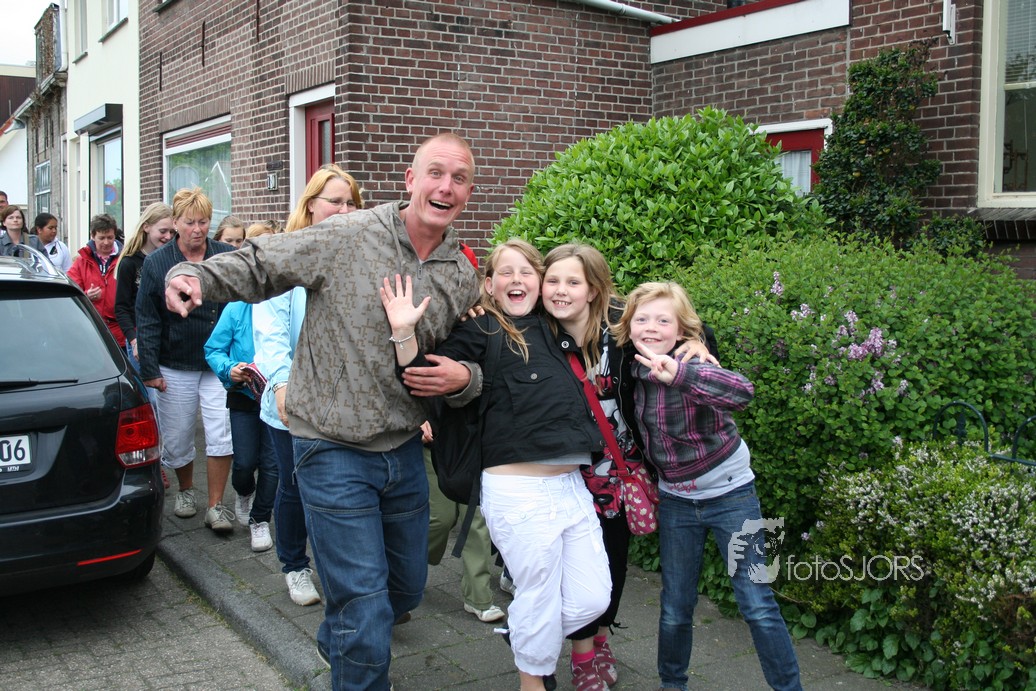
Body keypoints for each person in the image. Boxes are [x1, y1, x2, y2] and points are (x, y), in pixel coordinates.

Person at [165, 134, 481, 691]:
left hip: (403, 448)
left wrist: (466, 378)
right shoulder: (349, 233)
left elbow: (475, 353)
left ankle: (341, 640)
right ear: (410, 179)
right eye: (435, 173)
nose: (445, 187)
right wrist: (194, 277)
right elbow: (264, 262)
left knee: (405, 589)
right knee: (364, 607)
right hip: (330, 446)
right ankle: (357, 657)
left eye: (459, 179)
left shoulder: (460, 273)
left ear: (469, 192)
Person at [380, 238, 612, 691]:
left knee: (592, 599)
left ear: (539, 282)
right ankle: (532, 681)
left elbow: (624, 318)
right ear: (489, 284)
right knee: (539, 596)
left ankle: (524, 632)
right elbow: (421, 375)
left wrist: (693, 343)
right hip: (518, 490)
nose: (516, 279)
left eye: (527, 271)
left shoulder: (555, 327)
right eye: (505, 272)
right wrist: (404, 333)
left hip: (571, 487)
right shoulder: (482, 329)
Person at [613, 282, 802, 691]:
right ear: (628, 327)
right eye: (642, 319)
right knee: (675, 606)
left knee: (757, 603)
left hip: (733, 494)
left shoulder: (694, 361)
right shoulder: (629, 368)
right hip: (677, 500)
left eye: (663, 320)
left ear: (682, 330)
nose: (651, 327)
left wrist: (681, 375)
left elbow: (742, 393)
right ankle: (672, 684)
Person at [251, 165, 364, 605]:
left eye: (351, 202)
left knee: (343, 487)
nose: (344, 209)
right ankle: (295, 565)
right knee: (296, 485)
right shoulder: (286, 256)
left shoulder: (363, 259)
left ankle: (345, 571)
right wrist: (282, 386)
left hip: (345, 401)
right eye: (335, 201)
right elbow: (271, 334)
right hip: (293, 401)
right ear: (311, 204)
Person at [136, 188, 236, 532]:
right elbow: (147, 317)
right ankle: (186, 489)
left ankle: (216, 504)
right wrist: (150, 369)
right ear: (175, 222)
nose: (197, 229)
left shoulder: (225, 255)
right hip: (175, 361)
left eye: (204, 222)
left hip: (218, 361)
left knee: (221, 432)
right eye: (190, 222)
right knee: (178, 436)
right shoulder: (156, 263)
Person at [203, 289, 277, 553]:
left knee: (272, 464)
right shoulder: (236, 309)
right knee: (244, 463)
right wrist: (229, 369)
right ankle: (244, 492)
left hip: (277, 396)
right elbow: (213, 349)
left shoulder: (284, 307)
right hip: (244, 397)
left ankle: (260, 520)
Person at [114, 203, 175, 374]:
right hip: (140, 338)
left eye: (172, 232)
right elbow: (121, 307)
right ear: (146, 227)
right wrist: (134, 340)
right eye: (163, 231)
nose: (168, 236)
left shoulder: (172, 259)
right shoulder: (129, 263)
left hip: (167, 338)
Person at [67, 214, 125, 347]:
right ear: (92, 236)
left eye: (110, 237)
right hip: (91, 329)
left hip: (121, 331)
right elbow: (71, 291)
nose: (106, 242)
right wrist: (86, 296)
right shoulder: (81, 261)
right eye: (102, 238)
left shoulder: (125, 259)